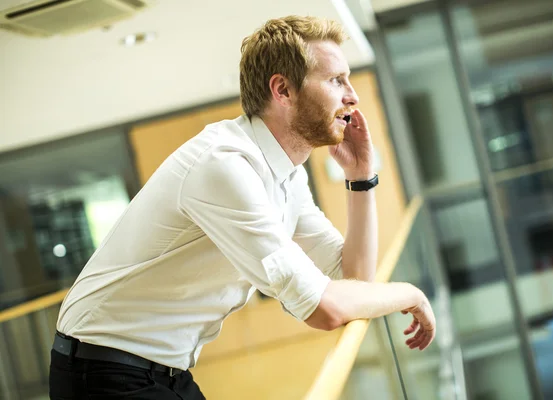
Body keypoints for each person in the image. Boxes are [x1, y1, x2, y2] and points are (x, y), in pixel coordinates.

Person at [49, 15, 436, 400]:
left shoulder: (286, 175)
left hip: (161, 369)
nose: (352, 95)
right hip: (100, 371)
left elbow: (353, 281)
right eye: (336, 80)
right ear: (282, 90)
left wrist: (361, 176)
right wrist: (410, 293)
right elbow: (325, 310)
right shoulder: (225, 165)